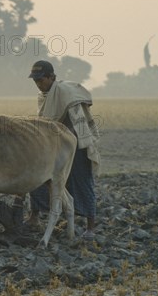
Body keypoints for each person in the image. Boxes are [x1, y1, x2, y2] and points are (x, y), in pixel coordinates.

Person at [26, 60, 101, 240]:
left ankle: (91, 227)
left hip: (76, 143)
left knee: (81, 180)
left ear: (52, 77)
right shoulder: (43, 96)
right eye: (35, 81)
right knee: (38, 177)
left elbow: (78, 122)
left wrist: (71, 141)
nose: (38, 84)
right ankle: (34, 216)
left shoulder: (66, 94)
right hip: (53, 145)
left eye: (41, 80)